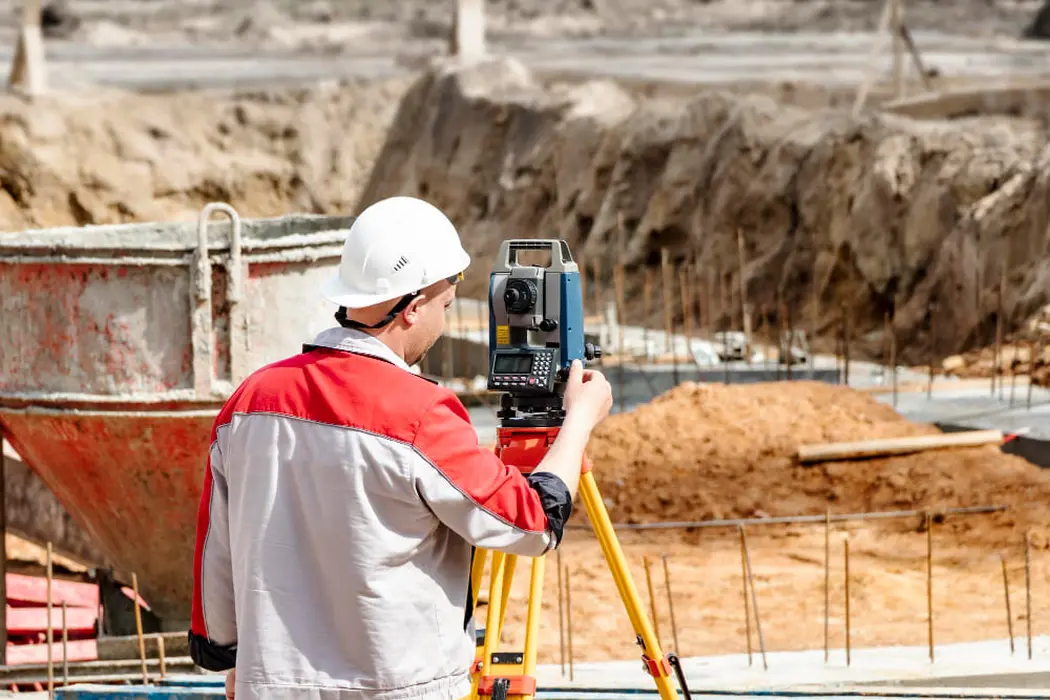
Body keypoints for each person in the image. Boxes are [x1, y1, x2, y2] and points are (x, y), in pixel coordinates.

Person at [188, 196, 613, 700]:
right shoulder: (420, 413)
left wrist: (233, 657)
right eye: (444, 307)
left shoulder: (248, 400)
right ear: (412, 309)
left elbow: (216, 561)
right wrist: (580, 418)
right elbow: (532, 521)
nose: (443, 322)